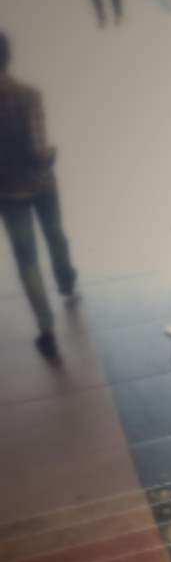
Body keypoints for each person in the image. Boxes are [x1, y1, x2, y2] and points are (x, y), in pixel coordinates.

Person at [0, 31, 78, 362]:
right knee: (55, 235)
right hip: (42, 183)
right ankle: (65, 281)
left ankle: (45, 327)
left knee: (26, 259)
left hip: (6, 190)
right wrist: (50, 156)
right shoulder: (28, 95)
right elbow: (38, 147)